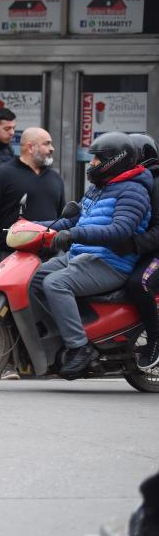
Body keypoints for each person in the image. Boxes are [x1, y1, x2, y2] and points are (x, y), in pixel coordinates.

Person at [31, 132, 152, 379]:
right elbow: (72, 220)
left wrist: (75, 234)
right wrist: (34, 227)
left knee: (55, 283)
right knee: (34, 276)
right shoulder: (100, 189)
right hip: (82, 255)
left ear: (115, 159)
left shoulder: (133, 191)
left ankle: (79, 346)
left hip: (110, 262)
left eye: (97, 158)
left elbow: (120, 230)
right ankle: (57, 337)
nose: (93, 163)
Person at [0, 127, 65, 266]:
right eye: (46, 143)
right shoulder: (2, 175)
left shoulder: (55, 179)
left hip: (48, 259)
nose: (51, 148)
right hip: (8, 256)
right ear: (30, 147)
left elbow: (62, 217)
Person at [120, 133, 159, 370]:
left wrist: (134, 244)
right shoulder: (133, 181)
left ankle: (155, 341)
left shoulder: (156, 182)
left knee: (138, 283)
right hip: (142, 249)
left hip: (154, 252)